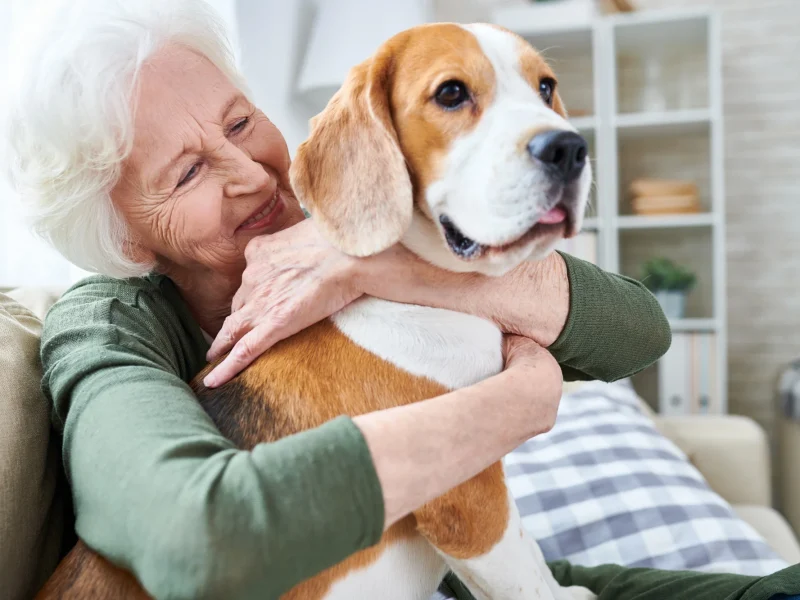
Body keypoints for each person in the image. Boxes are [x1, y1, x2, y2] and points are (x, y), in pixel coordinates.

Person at [7, 1, 779, 599]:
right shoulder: (106, 324)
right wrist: (519, 401)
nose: (247, 173)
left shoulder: (362, 218)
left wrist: (370, 267)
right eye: (186, 174)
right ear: (125, 236)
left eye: (241, 122)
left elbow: (639, 332)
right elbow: (197, 537)